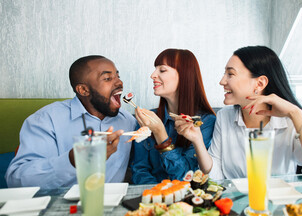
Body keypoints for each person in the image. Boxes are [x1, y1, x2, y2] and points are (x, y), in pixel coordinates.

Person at [174, 46, 302, 197]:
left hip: (276, 214)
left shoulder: (291, 123)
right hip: (235, 210)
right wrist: (197, 140)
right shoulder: (225, 117)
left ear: (259, 83)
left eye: (230, 74)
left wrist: (296, 113)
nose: (222, 81)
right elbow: (217, 177)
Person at [6, 55, 137, 189]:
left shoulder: (128, 121)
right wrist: (73, 160)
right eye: (108, 78)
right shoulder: (46, 120)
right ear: (83, 90)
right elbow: (16, 180)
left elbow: (143, 167)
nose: (119, 83)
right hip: (58, 206)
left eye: (118, 76)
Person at [131, 49, 216, 184]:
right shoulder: (147, 118)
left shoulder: (205, 122)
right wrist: (157, 196)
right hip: (151, 199)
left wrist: (161, 134)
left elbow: (187, 177)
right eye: (155, 69)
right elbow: (140, 171)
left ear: (184, 75)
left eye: (162, 70)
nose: (153, 75)